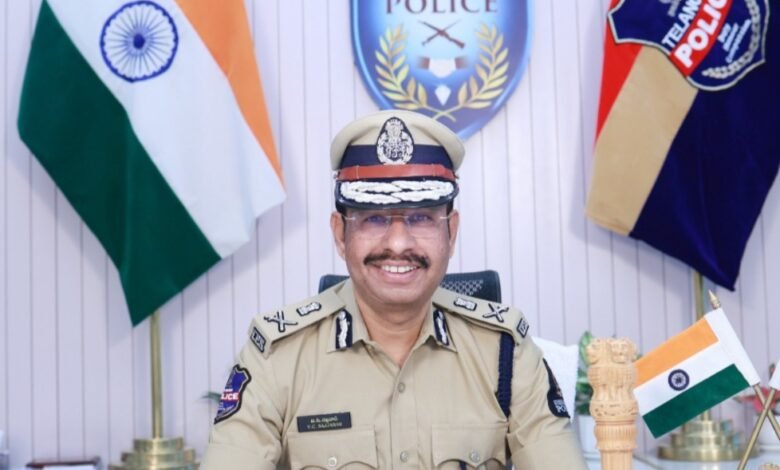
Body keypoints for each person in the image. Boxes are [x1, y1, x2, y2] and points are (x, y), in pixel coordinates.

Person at [201, 110, 587, 469]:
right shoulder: (277, 355)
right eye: (374, 218)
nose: (399, 243)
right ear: (341, 234)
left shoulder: (504, 350)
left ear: (451, 232)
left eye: (421, 217)